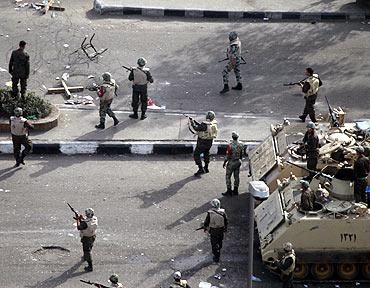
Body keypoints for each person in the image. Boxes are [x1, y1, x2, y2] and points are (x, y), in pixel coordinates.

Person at [188, 111, 218, 176]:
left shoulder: (204, 124)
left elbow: (196, 128)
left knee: (196, 154)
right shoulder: (213, 123)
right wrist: (194, 121)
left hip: (202, 143)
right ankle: (206, 168)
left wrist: (192, 122)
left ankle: (200, 169)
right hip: (209, 142)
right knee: (206, 153)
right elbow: (203, 127)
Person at [203, 199, 228, 263]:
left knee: (214, 244)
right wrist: (225, 229)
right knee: (220, 241)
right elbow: (226, 221)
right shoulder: (223, 212)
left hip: (213, 231)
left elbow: (207, 222)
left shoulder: (210, 213)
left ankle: (216, 256)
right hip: (221, 230)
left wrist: (205, 228)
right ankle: (219, 249)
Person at [222, 131, 244, 197]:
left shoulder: (230, 145)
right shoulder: (241, 144)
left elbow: (228, 155)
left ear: (232, 137)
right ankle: (235, 190)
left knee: (228, 176)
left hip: (231, 162)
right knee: (236, 176)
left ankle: (229, 191)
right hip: (238, 161)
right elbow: (242, 153)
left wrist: (224, 162)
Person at [76, 208, 98, 272]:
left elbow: (79, 227)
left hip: (86, 238)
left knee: (87, 251)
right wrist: (81, 219)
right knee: (90, 247)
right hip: (92, 236)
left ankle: (90, 266)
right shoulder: (94, 219)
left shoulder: (85, 223)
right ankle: (86, 257)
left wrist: (78, 220)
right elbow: (86, 222)